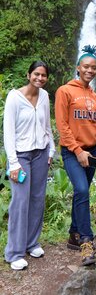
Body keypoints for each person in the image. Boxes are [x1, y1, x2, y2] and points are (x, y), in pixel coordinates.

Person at [55, 45, 96, 265]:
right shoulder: (64, 91)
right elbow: (62, 125)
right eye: (86, 66)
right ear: (78, 67)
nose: (90, 70)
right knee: (82, 190)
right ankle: (87, 242)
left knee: (81, 194)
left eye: (93, 68)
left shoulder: (95, 97)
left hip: (92, 151)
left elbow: (95, 127)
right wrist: (77, 151)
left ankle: (73, 235)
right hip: (72, 151)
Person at [3, 61, 55, 270]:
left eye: (43, 75)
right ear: (28, 75)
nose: (39, 78)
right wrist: (13, 163)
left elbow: (47, 125)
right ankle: (14, 252)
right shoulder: (14, 98)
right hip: (21, 156)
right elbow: (8, 132)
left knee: (37, 199)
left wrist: (51, 148)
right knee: (20, 202)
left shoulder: (44, 96)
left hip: (41, 153)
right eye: (36, 74)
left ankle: (31, 243)